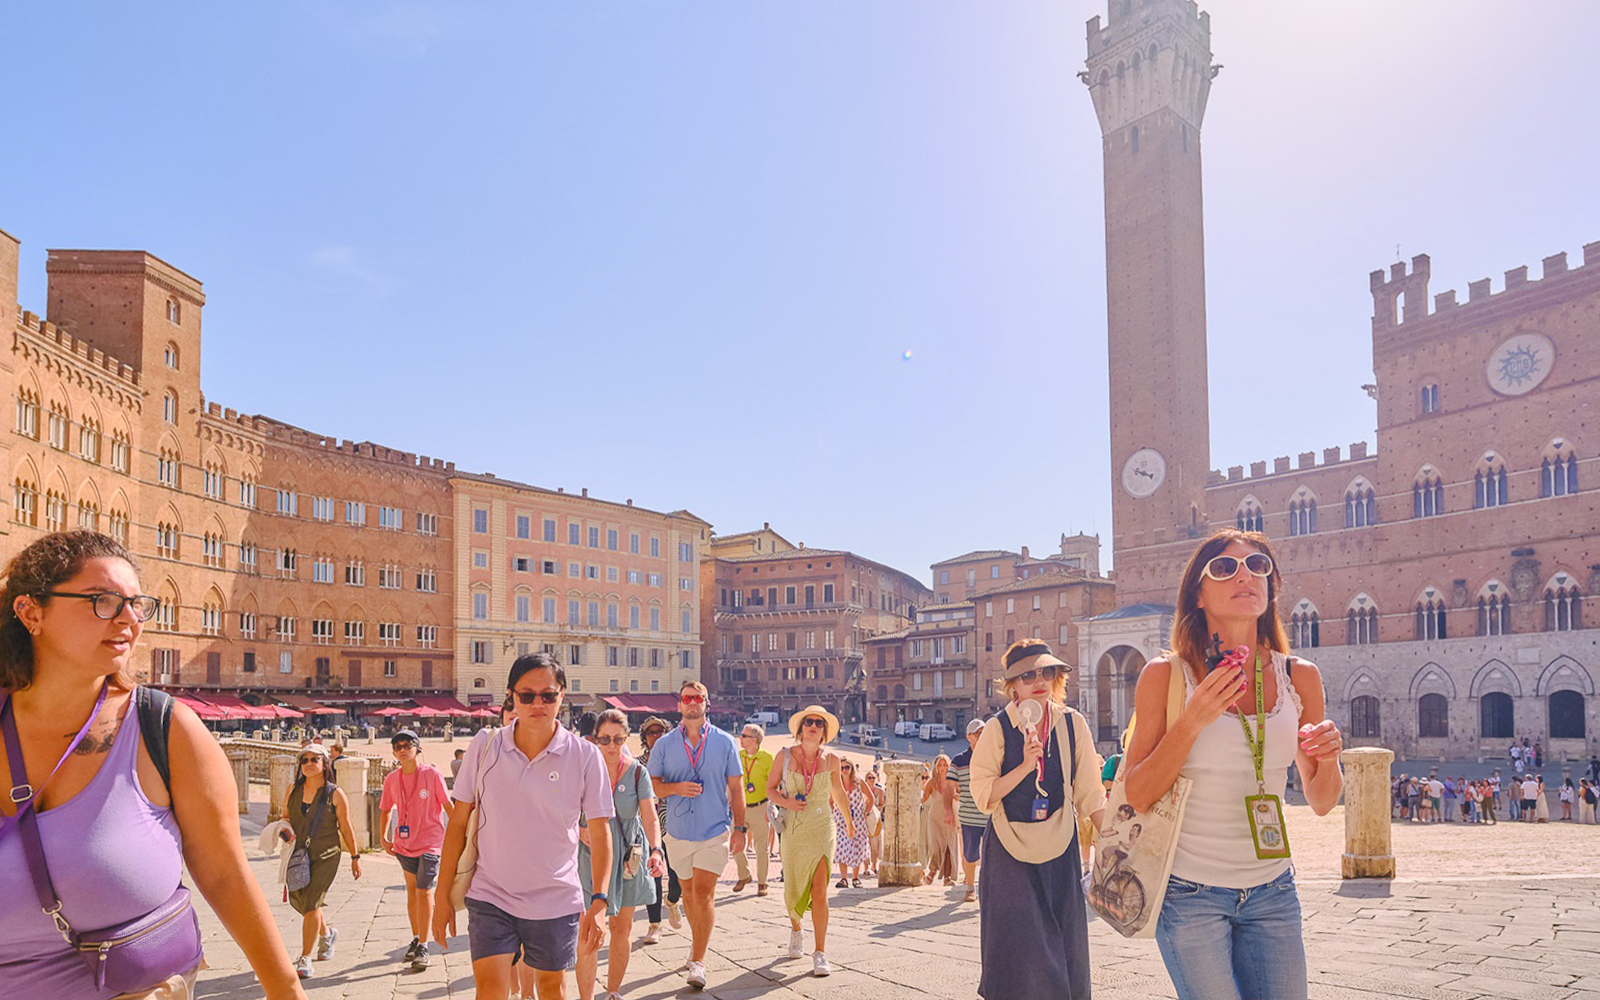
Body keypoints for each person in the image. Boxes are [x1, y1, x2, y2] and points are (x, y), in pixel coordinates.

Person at [0, 531, 306, 1000]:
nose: (128, 619)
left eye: (136, 603)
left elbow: (224, 872)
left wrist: (285, 990)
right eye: (102, 601)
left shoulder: (165, 728)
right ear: (30, 612)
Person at [1121, 530, 1344, 1000]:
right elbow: (1137, 793)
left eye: (1258, 566)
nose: (1245, 574)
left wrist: (1329, 757)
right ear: (1198, 595)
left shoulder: (1299, 676)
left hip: (1274, 892)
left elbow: (1323, 801)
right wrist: (1192, 721)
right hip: (1189, 896)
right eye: (1225, 568)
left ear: (1271, 587)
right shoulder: (1164, 676)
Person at [432, 653, 613, 1000]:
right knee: (490, 990)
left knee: (552, 990)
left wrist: (600, 902)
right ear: (512, 697)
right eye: (526, 695)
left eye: (548, 695)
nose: (537, 704)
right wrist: (441, 896)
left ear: (562, 695)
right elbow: (456, 825)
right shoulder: (485, 747)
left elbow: (601, 831)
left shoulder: (585, 756)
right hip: (490, 893)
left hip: (555, 897)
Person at [970, 639, 1105, 1000]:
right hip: (1009, 850)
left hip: (1059, 844)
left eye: (1046, 671)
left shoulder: (1072, 723)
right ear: (1012, 685)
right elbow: (983, 795)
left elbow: (1091, 791)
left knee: (1064, 942)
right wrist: (1025, 767)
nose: (1038, 680)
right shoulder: (998, 728)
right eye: (1027, 675)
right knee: (1022, 949)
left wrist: (1111, 841)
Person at [646, 680, 746, 991]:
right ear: (679, 705)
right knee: (688, 895)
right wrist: (676, 788)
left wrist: (740, 828)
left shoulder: (725, 742)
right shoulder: (663, 745)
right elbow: (651, 788)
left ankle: (699, 960)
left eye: (698, 698)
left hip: (713, 828)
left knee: (703, 893)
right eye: (687, 698)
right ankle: (696, 942)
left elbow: (737, 788)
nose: (692, 703)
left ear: (706, 704)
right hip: (676, 832)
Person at [575, 710, 665, 1000]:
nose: (611, 746)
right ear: (595, 739)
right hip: (591, 855)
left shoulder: (638, 772)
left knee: (621, 927)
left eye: (617, 739)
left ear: (626, 738)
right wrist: (578, 830)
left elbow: (650, 816)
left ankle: (613, 992)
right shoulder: (584, 770)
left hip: (629, 854)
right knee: (588, 930)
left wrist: (656, 850)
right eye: (604, 739)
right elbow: (562, 811)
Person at [767, 705, 856, 976]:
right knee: (793, 887)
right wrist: (787, 803)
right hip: (794, 829)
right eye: (809, 722)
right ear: (800, 728)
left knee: (820, 890)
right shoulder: (783, 756)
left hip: (822, 826)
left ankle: (820, 952)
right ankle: (796, 928)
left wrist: (849, 823)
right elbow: (770, 790)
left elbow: (839, 794)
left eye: (819, 723)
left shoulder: (832, 759)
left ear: (824, 732)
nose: (813, 726)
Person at [283, 741, 361, 979]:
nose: (309, 764)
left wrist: (355, 857)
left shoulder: (335, 794)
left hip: (327, 854)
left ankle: (305, 957)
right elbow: (285, 818)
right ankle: (327, 934)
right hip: (298, 854)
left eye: (314, 759)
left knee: (311, 903)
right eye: (304, 760)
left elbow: (346, 827)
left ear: (324, 763)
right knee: (304, 902)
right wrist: (283, 833)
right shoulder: (292, 790)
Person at [379, 729, 451, 970]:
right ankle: (416, 936)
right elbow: (386, 809)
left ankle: (424, 944)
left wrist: (459, 834)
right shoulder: (391, 779)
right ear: (393, 751)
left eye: (407, 744)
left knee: (424, 892)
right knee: (412, 892)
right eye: (397, 745)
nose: (402, 749)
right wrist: (383, 837)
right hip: (404, 844)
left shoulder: (432, 775)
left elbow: (446, 805)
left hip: (431, 842)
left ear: (417, 748)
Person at [637, 716, 681, 944]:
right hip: (648, 828)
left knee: (677, 875)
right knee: (653, 874)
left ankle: (672, 900)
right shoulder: (637, 765)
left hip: (674, 825)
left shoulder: (674, 762)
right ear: (644, 737)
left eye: (660, 731)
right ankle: (655, 924)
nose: (656, 735)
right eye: (651, 732)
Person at [948, 718, 988, 903]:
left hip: (991, 815)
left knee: (993, 855)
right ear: (968, 737)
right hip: (969, 816)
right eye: (978, 733)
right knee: (970, 853)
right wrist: (949, 809)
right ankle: (970, 887)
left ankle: (988, 889)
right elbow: (949, 788)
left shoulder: (994, 757)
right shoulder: (959, 760)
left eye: (984, 733)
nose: (982, 736)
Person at [733, 724, 774, 895]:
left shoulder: (767, 758)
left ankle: (762, 883)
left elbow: (774, 784)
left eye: (744, 735)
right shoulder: (737, 756)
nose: (740, 738)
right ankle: (744, 875)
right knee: (735, 844)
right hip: (741, 809)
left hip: (761, 807)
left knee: (761, 848)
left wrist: (769, 809)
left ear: (754, 740)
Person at [833, 758, 871, 888]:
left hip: (858, 820)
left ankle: (855, 877)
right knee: (841, 847)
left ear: (851, 768)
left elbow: (870, 797)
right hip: (841, 820)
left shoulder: (859, 782)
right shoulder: (836, 783)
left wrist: (866, 812)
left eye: (846, 767)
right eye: (841, 768)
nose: (844, 770)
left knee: (857, 847)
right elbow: (830, 800)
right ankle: (844, 878)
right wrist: (835, 812)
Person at [922, 754, 958, 886]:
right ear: (936, 767)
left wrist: (956, 796)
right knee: (936, 847)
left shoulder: (954, 780)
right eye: (940, 765)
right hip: (935, 818)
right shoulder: (931, 782)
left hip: (950, 818)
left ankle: (947, 877)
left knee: (949, 846)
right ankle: (932, 872)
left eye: (945, 765)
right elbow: (923, 799)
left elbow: (961, 795)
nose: (942, 768)